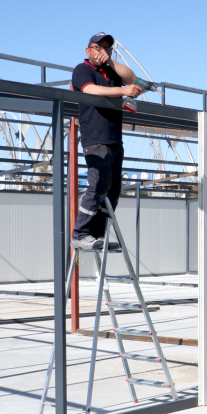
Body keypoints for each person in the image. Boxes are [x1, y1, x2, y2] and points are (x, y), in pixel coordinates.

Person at [70, 32, 143, 250]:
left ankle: (97, 234)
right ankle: (81, 233)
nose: (103, 52)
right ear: (88, 50)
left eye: (107, 49)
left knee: (112, 191)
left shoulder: (110, 71)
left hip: (114, 139)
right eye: (98, 48)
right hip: (96, 138)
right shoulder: (82, 70)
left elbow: (130, 77)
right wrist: (123, 91)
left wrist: (111, 62)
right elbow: (90, 90)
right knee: (99, 185)